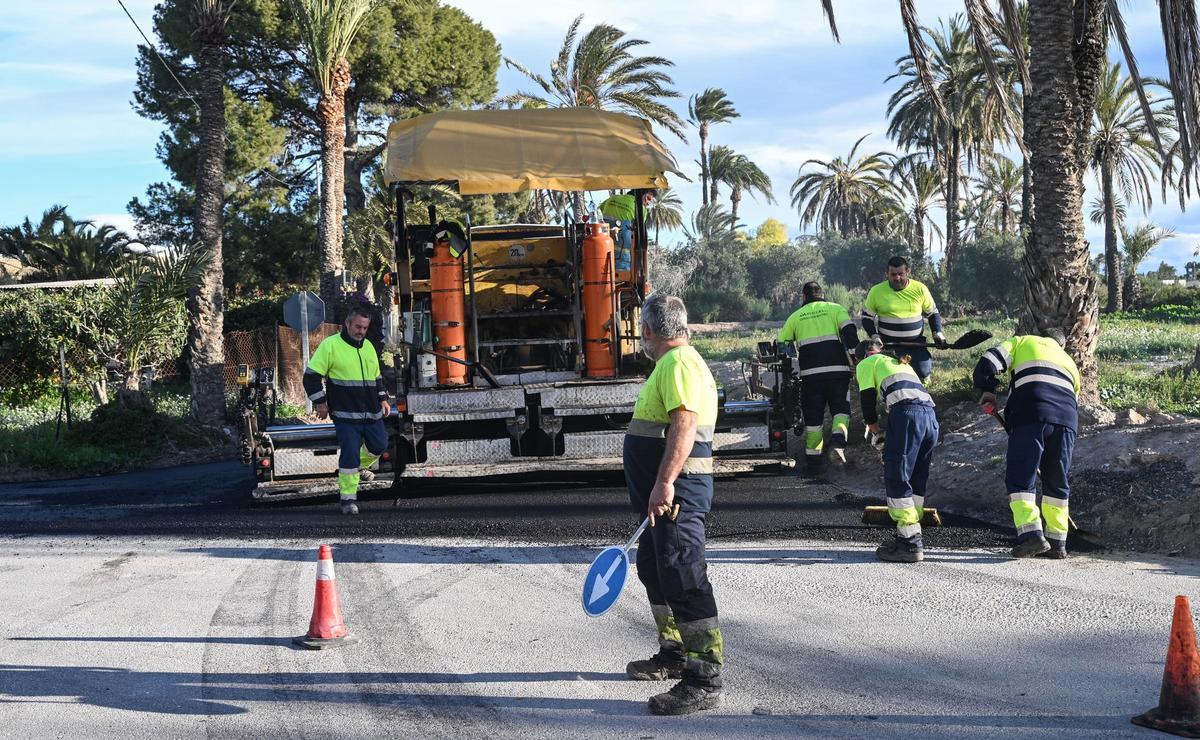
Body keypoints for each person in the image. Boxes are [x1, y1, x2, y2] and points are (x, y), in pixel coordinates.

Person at [623, 293, 724, 716]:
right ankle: (674, 652)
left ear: (648, 331)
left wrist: (664, 482)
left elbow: (684, 423)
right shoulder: (673, 364)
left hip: (677, 496)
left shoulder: (678, 364)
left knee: (684, 578)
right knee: (654, 569)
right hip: (662, 501)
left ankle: (704, 678)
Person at [973, 329, 1081, 559]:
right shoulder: (1070, 362)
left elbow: (988, 362)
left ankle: (1031, 535)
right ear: (1060, 345)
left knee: (1021, 475)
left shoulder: (1022, 342)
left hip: (1031, 413)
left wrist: (988, 391)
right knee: (1056, 479)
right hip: (1067, 420)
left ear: (1041, 337)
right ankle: (1057, 541)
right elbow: (1074, 398)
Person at [855, 336, 939, 563]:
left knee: (897, 474)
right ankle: (912, 531)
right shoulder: (900, 363)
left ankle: (909, 543)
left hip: (906, 415)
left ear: (861, 355)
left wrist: (876, 432)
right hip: (930, 417)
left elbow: (867, 402)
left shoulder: (866, 364)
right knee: (916, 476)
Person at [302, 307, 392, 515]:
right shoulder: (330, 345)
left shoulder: (368, 346)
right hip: (345, 415)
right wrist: (321, 402)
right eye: (358, 327)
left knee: (379, 445)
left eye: (365, 328)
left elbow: (376, 377)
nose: (361, 331)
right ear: (347, 324)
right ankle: (348, 500)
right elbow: (311, 377)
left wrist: (383, 399)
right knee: (350, 454)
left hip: (371, 412)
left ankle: (356, 469)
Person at [777, 281, 859, 476]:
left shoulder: (795, 317)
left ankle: (814, 464)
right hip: (838, 373)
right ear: (822, 294)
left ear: (804, 297)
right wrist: (856, 360)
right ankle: (838, 444)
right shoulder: (836, 309)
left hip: (810, 377)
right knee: (840, 410)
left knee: (813, 419)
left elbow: (783, 346)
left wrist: (794, 357)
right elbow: (850, 334)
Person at [861, 256, 945, 381]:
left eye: (900, 274)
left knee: (923, 371)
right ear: (887, 274)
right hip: (888, 345)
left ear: (908, 272)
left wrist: (937, 333)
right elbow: (867, 318)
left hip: (915, 343)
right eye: (893, 274)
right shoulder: (876, 291)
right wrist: (874, 336)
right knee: (890, 375)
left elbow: (932, 313)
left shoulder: (920, 289)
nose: (897, 278)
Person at [599, 190, 655, 273]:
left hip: (601, 248)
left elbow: (598, 213)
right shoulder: (640, 209)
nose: (648, 203)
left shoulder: (613, 198)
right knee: (623, 277)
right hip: (622, 255)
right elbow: (639, 233)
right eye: (648, 199)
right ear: (643, 195)